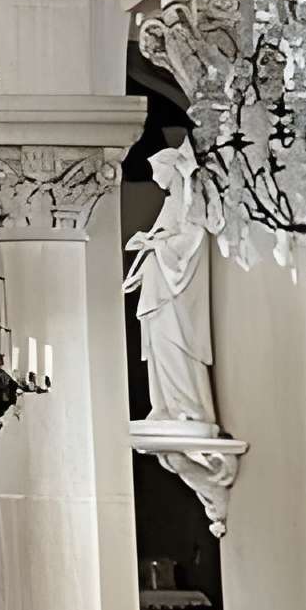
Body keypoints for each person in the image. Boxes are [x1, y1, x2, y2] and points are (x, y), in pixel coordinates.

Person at [126, 141, 218, 428]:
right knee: (158, 347)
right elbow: (160, 241)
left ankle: (187, 408)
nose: (156, 178)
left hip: (172, 293)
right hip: (158, 288)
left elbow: (191, 240)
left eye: (159, 171)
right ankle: (165, 406)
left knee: (173, 344)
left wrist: (154, 244)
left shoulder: (189, 204)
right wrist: (141, 267)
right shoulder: (170, 203)